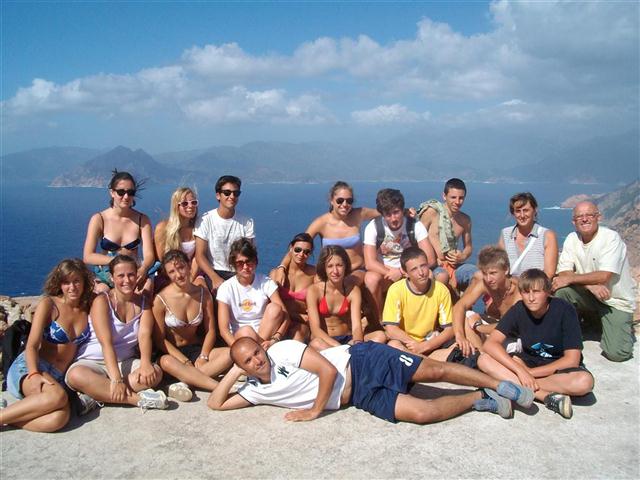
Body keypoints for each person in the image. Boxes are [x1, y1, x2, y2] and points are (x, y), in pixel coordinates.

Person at [208, 337, 535, 424]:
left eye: (256, 352)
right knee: (421, 413)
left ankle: (497, 384)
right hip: (359, 396)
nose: (257, 360)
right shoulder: (255, 390)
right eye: (248, 361)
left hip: (362, 361)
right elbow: (216, 404)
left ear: (262, 347)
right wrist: (235, 371)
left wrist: (314, 411)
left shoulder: (283, 350)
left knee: (434, 371)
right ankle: (480, 398)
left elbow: (327, 371)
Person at [478, 269, 594, 419]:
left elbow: (571, 360)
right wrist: (520, 370)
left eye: (536, 292)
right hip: (526, 363)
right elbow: (490, 344)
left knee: (584, 382)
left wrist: (529, 374)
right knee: (484, 360)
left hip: (556, 369)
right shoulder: (519, 309)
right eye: (526, 292)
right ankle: (545, 396)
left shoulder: (565, 310)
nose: (531, 298)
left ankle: (514, 386)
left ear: (547, 292)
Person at [65, 255, 167, 413]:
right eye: (121, 276)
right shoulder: (102, 301)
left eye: (131, 274)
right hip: (92, 363)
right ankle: (139, 400)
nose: (127, 280)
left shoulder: (143, 303)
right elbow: (106, 343)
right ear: (112, 278)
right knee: (75, 375)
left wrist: (146, 363)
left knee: (155, 373)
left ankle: (96, 395)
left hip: (124, 362)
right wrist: (116, 379)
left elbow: (144, 336)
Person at [1, 259, 93, 432]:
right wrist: (34, 373)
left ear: (84, 281)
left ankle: (9, 418)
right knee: (57, 397)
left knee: (59, 419)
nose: (72, 287)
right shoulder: (49, 305)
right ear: (59, 284)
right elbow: (32, 345)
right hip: (31, 367)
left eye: (76, 281)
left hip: (57, 377)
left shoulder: (87, 306)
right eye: (66, 282)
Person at [552, 201, 636, 362]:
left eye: (589, 215)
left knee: (617, 354)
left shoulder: (610, 238)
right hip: (590, 296)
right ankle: (566, 335)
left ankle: (602, 324)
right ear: (574, 221)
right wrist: (589, 286)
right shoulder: (572, 239)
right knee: (562, 292)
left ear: (598, 217)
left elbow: (604, 276)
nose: (584, 219)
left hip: (615, 301)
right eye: (579, 216)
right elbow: (564, 273)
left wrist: (572, 278)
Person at [153, 250, 232, 401]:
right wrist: (185, 361)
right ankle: (219, 387)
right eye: (172, 272)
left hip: (196, 350)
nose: (178, 274)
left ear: (189, 266)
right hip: (173, 354)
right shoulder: (160, 300)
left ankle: (184, 382)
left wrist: (204, 355)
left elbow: (210, 331)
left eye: (181, 267)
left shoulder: (203, 294)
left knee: (230, 353)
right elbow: (160, 340)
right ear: (167, 274)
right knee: (166, 362)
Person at [271, 181, 379, 286]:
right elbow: (300, 245)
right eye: (340, 200)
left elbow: (383, 213)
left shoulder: (359, 214)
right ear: (331, 200)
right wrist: (282, 267)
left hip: (356, 270)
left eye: (349, 201)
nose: (345, 204)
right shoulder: (321, 222)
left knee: (345, 284)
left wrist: (383, 242)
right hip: (330, 272)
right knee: (318, 287)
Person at [363, 188, 436, 318]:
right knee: (371, 279)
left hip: (409, 270)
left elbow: (430, 259)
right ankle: (381, 320)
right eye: (388, 214)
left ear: (402, 210)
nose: (393, 218)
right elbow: (369, 263)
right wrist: (390, 272)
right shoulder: (374, 227)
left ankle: (424, 319)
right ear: (382, 214)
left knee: (429, 275)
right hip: (385, 272)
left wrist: (402, 272)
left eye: (396, 212)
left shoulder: (414, 225)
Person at [83, 170, 155, 293]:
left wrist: (143, 269)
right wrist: (117, 261)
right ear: (112, 192)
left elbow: (149, 255)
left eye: (130, 192)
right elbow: (88, 256)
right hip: (107, 275)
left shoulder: (142, 220)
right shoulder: (99, 219)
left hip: (133, 275)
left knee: (145, 290)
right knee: (102, 293)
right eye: (121, 192)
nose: (126, 197)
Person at [382, 247, 454, 361]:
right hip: (408, 344)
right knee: (393, 345)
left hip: (431, 342)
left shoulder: (441, 290)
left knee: (458, 346)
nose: (421, 273)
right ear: (405, 273)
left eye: (423, 266)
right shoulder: (396, 290)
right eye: (414, 269)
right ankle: (431, 363)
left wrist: (426, 346)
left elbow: (449, 329)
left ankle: (425, 362)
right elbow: (391, 328)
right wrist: (416, 345)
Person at [307, 246, 386, 348]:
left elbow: (356, 326)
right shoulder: (314, 291)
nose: (335, 271)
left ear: (345, 266)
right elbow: (315, 329)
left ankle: (350, 353)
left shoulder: (353, 290)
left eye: (339, 265)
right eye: (330, 266)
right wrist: (338, 347)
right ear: (324, 268)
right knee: (316, 343)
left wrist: (357, 343)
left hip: (347, 339)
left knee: (380, 336)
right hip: (325, 341)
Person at [217, 238, 289, 348]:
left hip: (265, 334)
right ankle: (260, 350)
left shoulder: (266, 282)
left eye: (249, 262)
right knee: (246, 331)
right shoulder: (226, 288)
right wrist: (237, 350)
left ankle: (260, 349)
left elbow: (286, 316)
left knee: (275, 308)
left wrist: (275, 339)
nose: (245, 267)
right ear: (234, 264)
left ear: (255, 262)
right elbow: (224, 330)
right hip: (241, 338)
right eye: (240, 263)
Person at [452, 246, 522, 356]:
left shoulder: (520, 290)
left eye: (493, 273)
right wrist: (459, 335)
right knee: (467, 316)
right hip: (498, 332)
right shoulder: (486, 284)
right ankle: (479, 357)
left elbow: (512, 326)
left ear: (506, 270)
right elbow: (460, 306)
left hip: (516, 338)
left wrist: (478, 327)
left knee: (473, 324)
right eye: (485, 274)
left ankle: (481, 358)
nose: (489, 279)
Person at [194, 175, 254, 292]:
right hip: (213, 272)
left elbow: (248, 255)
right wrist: (214, 278)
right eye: (227, 193)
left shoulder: (247, 222)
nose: (232, 196)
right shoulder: (205, 220)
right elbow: (200, 255)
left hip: (238, 272)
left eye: (236, 193)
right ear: (218, 195)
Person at [416, 178, 476, 290]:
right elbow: (416, 239)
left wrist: (462, 256)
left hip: (454, 265)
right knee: (441, 276)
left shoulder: (465, 220)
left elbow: (468, 247)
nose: (457, 202)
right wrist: (431, 259)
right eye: (453, 197)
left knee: (477, 274)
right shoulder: (431, 213)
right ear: (444, 196)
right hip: (433, 265)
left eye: (461, 198)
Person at [269, 233, 317, 342]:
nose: (301, 254)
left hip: (301, 324)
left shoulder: (314, 274)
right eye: (298, 250)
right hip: (280, 321)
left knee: (297, 335)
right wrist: (298, 315)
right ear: (291, 248)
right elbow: (270, 306)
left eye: (306, 252)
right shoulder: (276, 274)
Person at [498, 192, 558, 279]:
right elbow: (500, 267)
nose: (522, 215)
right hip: (511, 285)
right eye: (518, 211)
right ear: (513, 213)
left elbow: (549, 273)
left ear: (535, 210)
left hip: (536, 285)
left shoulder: (547, 236)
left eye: (526, 210)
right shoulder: (505, 234)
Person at [154, 187, 204, 290]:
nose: (190, 206)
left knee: (202, 292)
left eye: (193, 202)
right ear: (176, 206)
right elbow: (163, 260)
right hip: (169, 275)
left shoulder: (198, 228)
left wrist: (189, 280)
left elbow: (198, 257)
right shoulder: (163, 228)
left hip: (192, 273)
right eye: (185, 203)